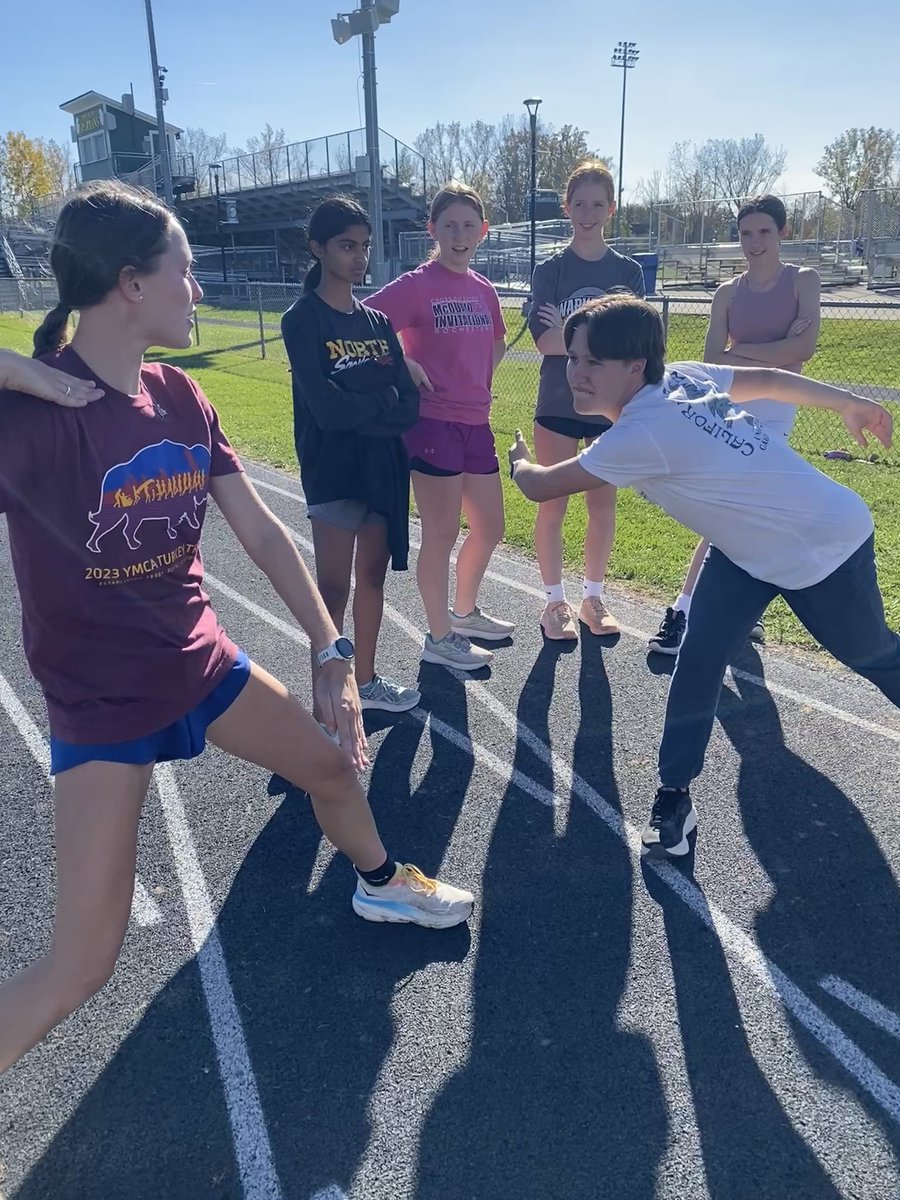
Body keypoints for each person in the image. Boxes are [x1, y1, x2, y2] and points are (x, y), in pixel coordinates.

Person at [0, 182, 474, 1076]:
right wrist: (12, 368)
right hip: (104, 704)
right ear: (132, 284)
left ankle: (383, 888)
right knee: (83, 962)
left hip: (202, 662)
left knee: (334, 764)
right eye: (185, 271)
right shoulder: (29, 417)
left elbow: (259, 531)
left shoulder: (180, 396)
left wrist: (332, 650)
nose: (200, 292)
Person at [508, 294, 895, 859]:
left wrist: (519, 460)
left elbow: (541, 486)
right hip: (744, 552)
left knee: (874, 657)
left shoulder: (638, 434)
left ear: (635, 367)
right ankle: (674, 798)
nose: (576, 374)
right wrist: (847, 401)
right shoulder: (680, 378)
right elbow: (765, 379)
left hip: (822, 544)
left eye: (593, 362)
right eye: (571, 358)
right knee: (699, 658)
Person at [649, 194, 821, 655]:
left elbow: (802, 351)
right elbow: (711, 363)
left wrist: (740, 355)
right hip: (729, 408)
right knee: (728, 511)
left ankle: (725, 613)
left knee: (752, 513)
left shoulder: (804, 281)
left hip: (777, 412)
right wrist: (774, 351)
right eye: (746, 233)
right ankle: (686, 611)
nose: (754, 242)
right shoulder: (727, 293)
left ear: (783, 233)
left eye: (764, 232)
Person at [281, 196, 421, 714]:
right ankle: (327, 700)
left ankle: (365, 683)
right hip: (334, 470)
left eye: (364, 246)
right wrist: (381, 400)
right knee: (333, 589)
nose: (359, 257)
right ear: (318, 249)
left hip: (381, 469)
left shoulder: (380, 324)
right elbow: (328, 412)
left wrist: (373, 403)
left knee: (373, 578)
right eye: (346, 246)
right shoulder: (303, 320)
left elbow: (409, 405)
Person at [365, 182, 512, 672]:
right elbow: (361, 322)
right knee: (443, 531)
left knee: (491, 526)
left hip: (477, 423)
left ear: (483, 232)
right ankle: (439, 636)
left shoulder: (483, 289)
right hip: (432, 425)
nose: (459, 234)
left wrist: (477, 382)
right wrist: (403, 363)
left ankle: (464, 613)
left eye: (469, 225)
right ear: (432, 229)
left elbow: (496, 341)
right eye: (449, 225)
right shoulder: (416, 284)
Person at [528, 160, 645, 641]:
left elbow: (633, 347)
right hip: (558, 404)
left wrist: (569, 330)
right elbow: (544, 343)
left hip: (610, 410)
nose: (588, 212)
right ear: (567, 208)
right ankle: (554, 603)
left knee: (602, 507)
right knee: (552, 507)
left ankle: (592, 599)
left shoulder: (628, 272)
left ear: (611, 208)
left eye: (598, 203)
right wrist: (600, 339)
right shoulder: (549, 271)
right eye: (580, 204)